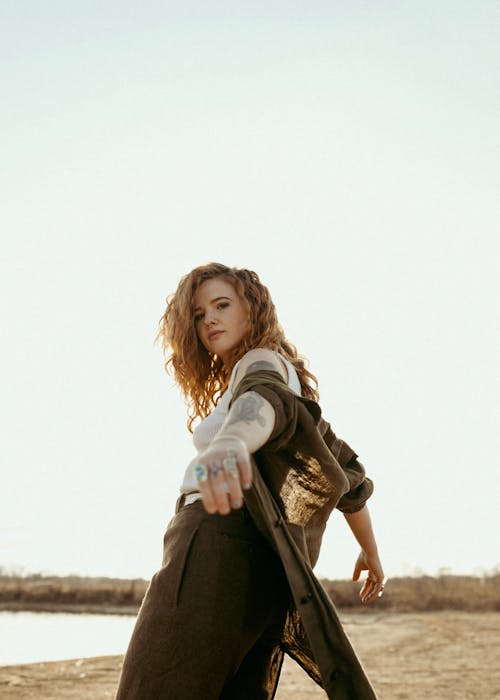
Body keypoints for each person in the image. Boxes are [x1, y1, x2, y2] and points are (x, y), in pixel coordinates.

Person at [115, 262, 385, 700]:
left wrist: (230, 443)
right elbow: (348, 475)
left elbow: (261, 402)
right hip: (259, 567)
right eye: (199, 314)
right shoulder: (290, 382)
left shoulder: (260, 365)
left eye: (222, 305)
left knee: (154, 688)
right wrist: (371, 552)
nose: (210, 321)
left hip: (213, 542)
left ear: (253, 309)